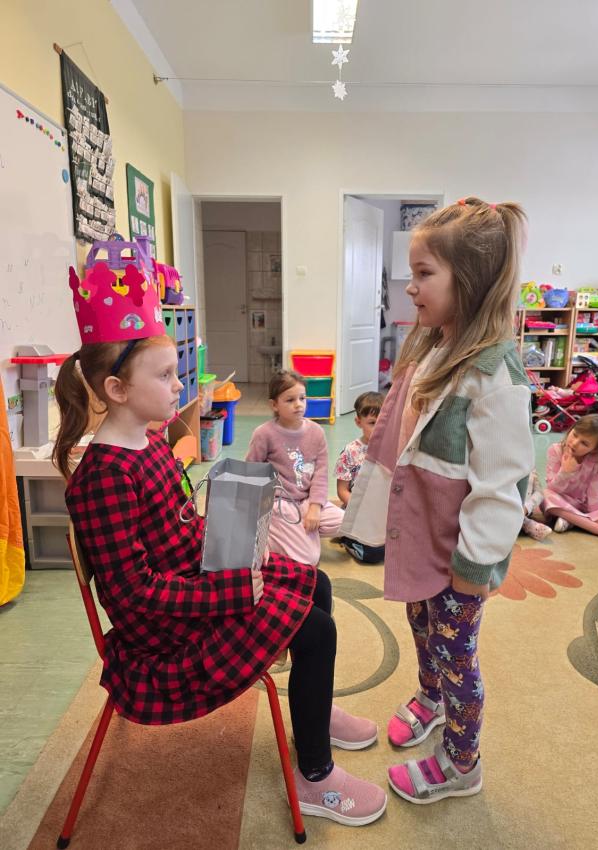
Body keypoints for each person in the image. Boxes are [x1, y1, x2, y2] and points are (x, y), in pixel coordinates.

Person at [52, 264, 386, 827]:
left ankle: (315, 709)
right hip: (166, 635)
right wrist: (232, 589)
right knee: (317, 630)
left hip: (197, 585)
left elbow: (180, 525)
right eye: (165, 375)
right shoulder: (105, 477)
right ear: (117, 390)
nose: (179, 385)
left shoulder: (149, 442)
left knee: (319, 583)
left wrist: (240, 536)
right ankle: (315, 777)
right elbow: (134, 597)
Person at [340, 197, 534, 805]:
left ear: (468, 281)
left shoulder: (496, 378)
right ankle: (430, 697)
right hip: (422, 536)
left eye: (424, 273)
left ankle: (461, 762)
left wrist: (474, 572)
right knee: (420, 624)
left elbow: (502, 489)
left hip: (458, 555)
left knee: (456, 654)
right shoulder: (434, 347)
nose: (410, 286)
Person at [246, 370, 344, 567]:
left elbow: (320, 474)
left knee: (351, 524)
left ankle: (297, 533)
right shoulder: (264, 434)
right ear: (274, 405)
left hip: (307, 501)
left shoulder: (317, 432)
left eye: (302, 398)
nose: (299, 404)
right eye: (290, 400)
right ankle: (271, 532)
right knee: (309, 558)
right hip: (280, 503)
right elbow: (250, 473)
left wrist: (315, 508)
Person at [543, 414, 598, 541]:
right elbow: (554, 489)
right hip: (566, 499)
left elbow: (596, 491)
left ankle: (573, 520)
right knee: (545, 496)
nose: (574, 443)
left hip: (596, 502)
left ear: (595, 450)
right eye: (575, 434)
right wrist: (566, 472)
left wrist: (595, 512)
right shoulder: (555, 450)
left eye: (584, 443)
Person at [335, 391, 386, 563]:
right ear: (358, 422)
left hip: (383, 513)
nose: (378, 429)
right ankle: (347, 538)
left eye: (383, 423)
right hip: (357, 513)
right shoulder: (350, 452)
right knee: (373, 554)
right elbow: (342, 491)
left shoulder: (392, 450)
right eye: (372, 423)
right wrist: (363, 509)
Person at [521, 469, 552, 540]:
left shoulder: (537, 465)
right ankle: (527, 523)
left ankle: (524, 521)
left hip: (525, 507)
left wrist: (526, 508)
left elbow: (540, 491)